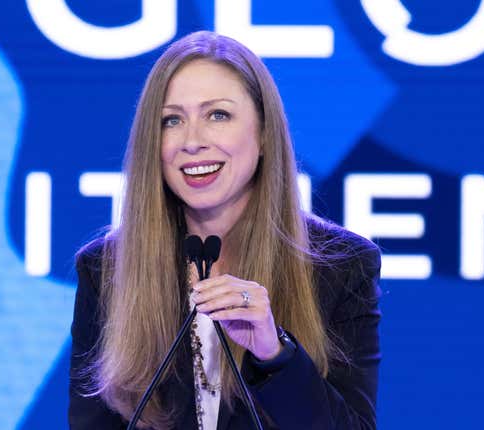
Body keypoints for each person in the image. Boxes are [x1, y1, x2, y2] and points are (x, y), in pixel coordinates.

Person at [69, 31, 382, 430]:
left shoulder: (341, 266)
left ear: (265, 134)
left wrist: (275, 354)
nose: (193, 141)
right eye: (172, 120)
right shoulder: (106, 270)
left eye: (218, 115)